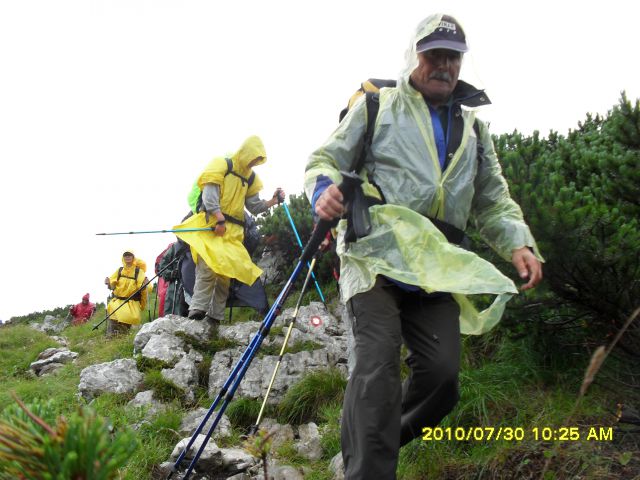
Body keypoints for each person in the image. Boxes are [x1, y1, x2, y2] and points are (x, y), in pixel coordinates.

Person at [304, 13, 543, 479]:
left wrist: (519, 244)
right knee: (376, 372)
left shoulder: (474, 130)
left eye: (452, 56)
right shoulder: (378, 106)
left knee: (442, 379)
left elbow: (493, 200)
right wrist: (324, 191)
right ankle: (367, 467)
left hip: (435, 270)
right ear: (415, 56)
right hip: (374, 258)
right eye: (434, 54)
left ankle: (367, 447)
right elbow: (325, 159)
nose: (444, 65)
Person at [174, 135, 284, 329]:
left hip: (233, 233)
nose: (254, 162)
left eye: (258, 160)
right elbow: (209, 194)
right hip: (212, 225)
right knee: (207, 267)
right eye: (254, 157)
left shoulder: (250, 177)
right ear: (247, 151)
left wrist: (273, 201)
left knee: (226, 273)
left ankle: (215, 317)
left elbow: (254, 206)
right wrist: (219, 217)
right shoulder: (222, 165)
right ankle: (197, 312)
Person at [104, 250, 148, 336]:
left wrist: (144, 285)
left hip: (131, 303)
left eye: (129, 255)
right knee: (113, 321)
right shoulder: (120, 270)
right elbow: (112, 287)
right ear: (123, 257)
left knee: (126, 322)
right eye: (125, 255)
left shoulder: (139, 272)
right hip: (117, 302)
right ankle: (110, 339)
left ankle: (123, 338)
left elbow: (143, 290)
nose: (127, 257)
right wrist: (108, 283)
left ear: (133, 257)